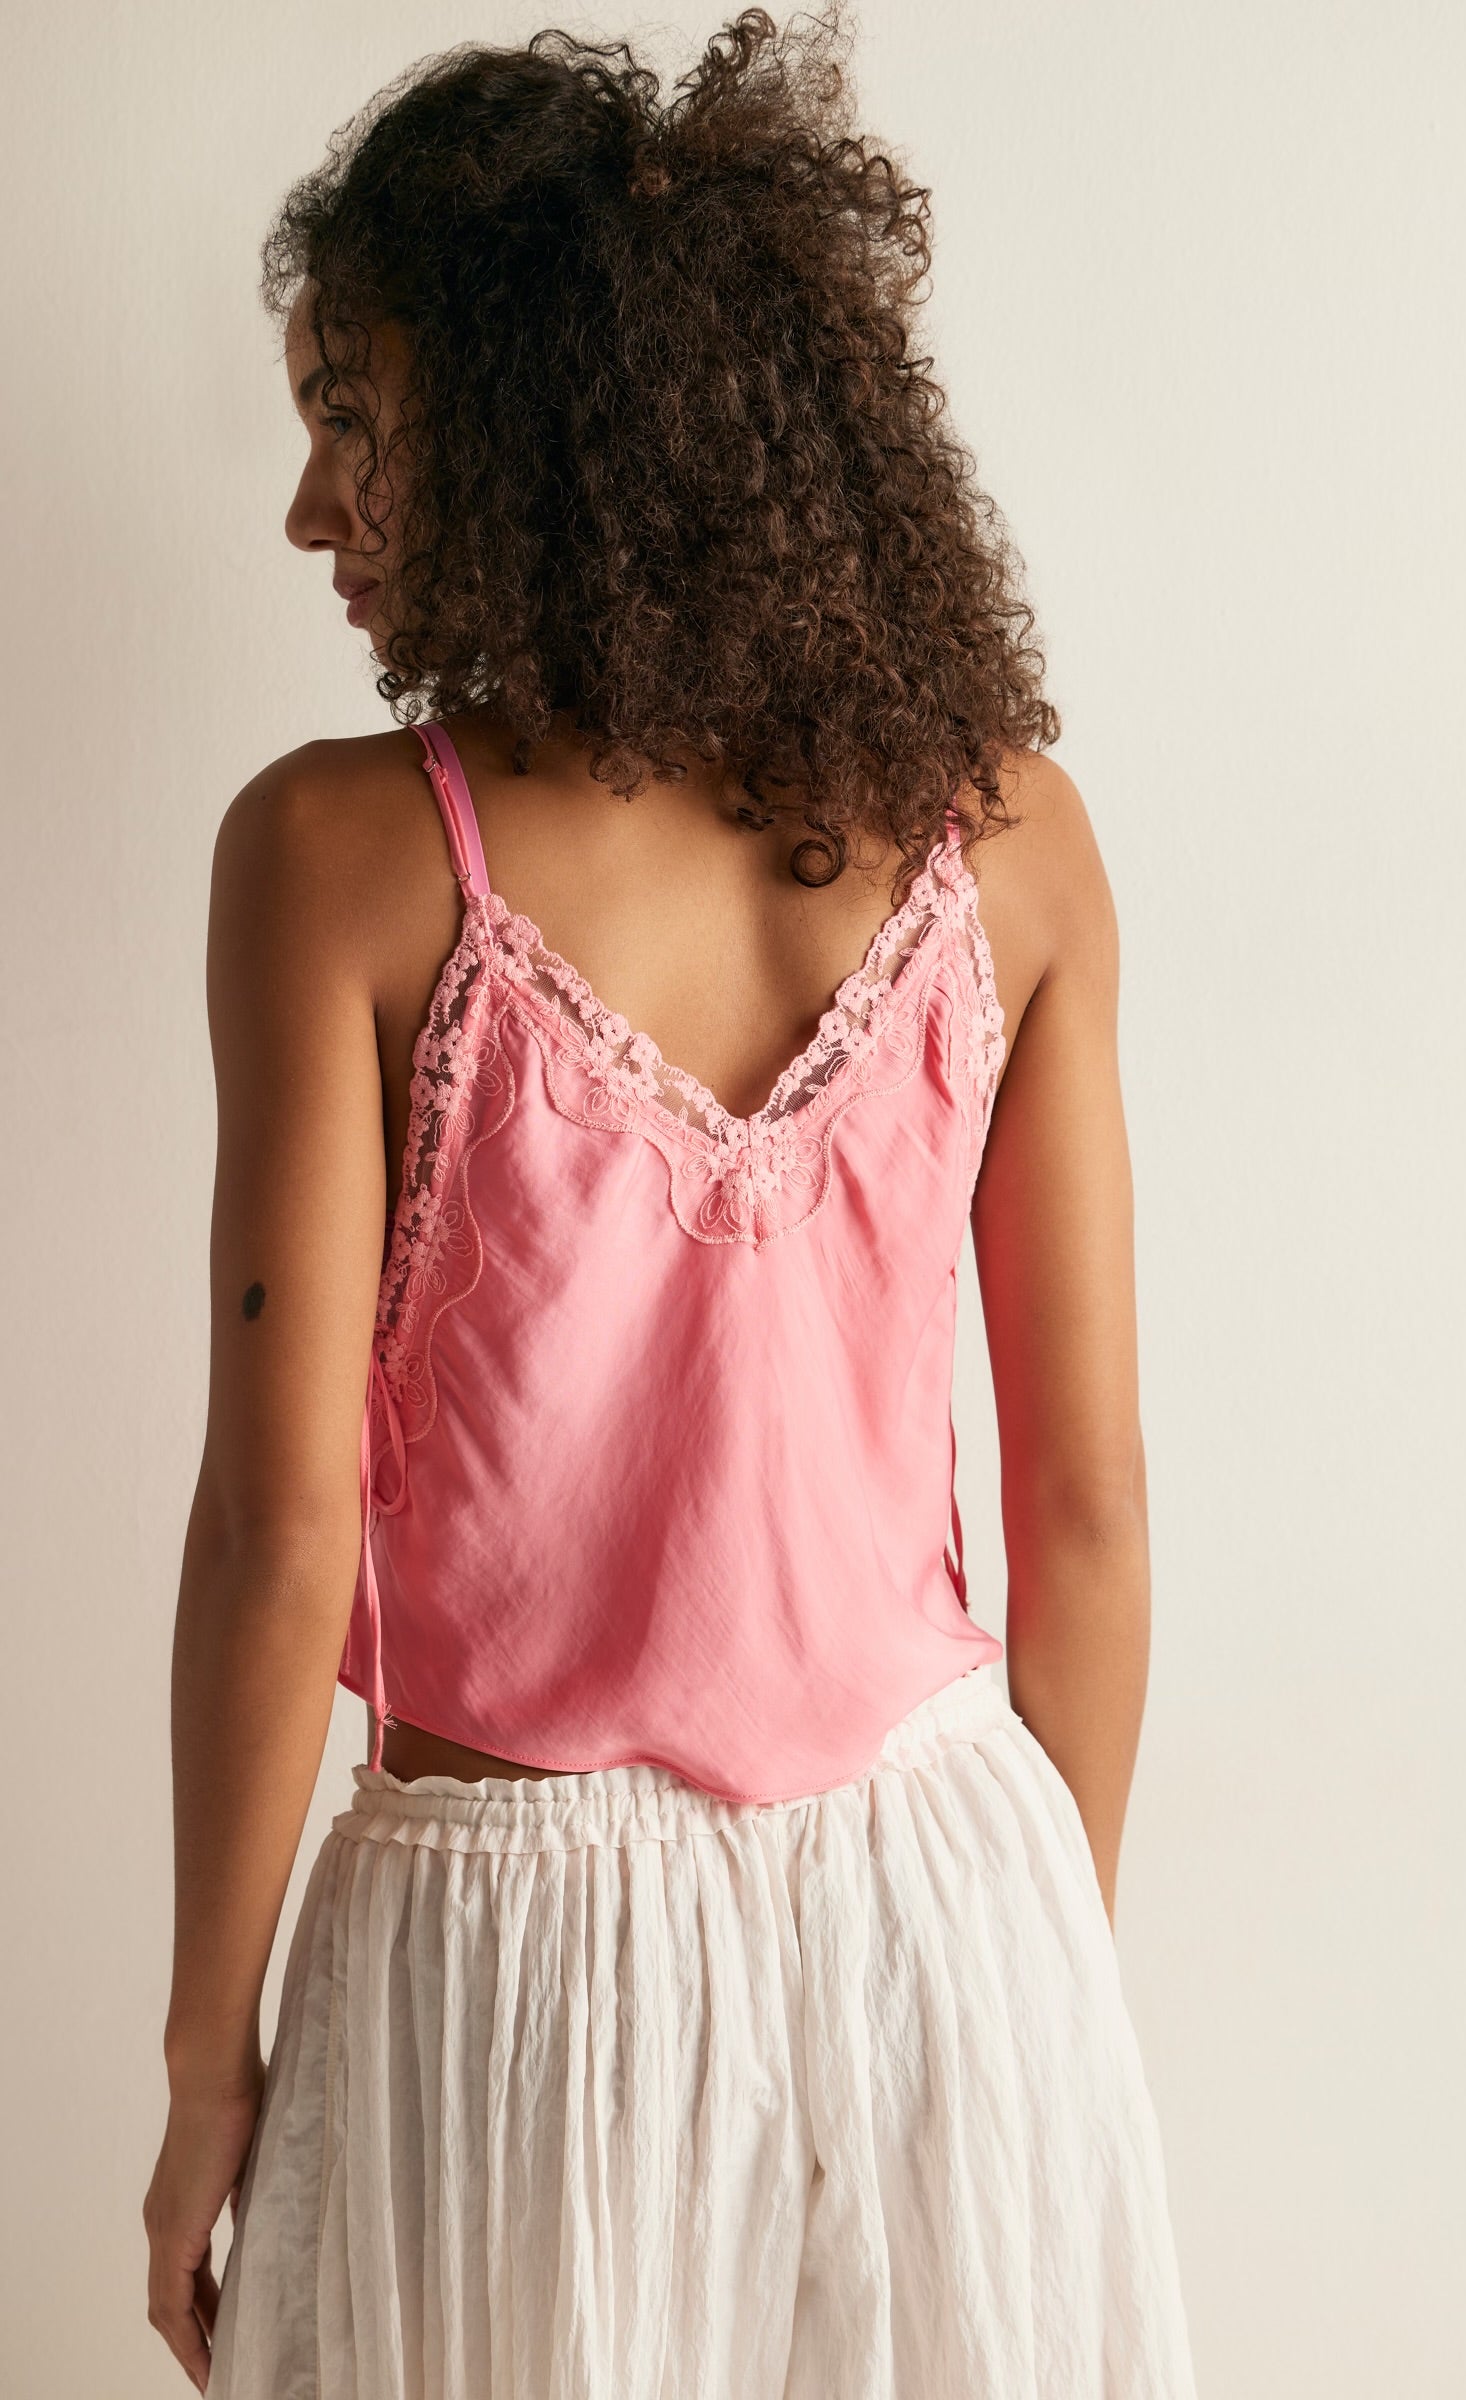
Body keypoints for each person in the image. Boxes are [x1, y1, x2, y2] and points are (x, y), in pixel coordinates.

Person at [142, 11, 1199, 2394]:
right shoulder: (1011, 836)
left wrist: (207, 2072)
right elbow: (1094, 1508)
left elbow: (276, 1530)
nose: (312, 511)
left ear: (527, 434)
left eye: (353, 417)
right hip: (946, 1906)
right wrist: (1031, 1987)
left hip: (505, 1975)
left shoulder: (334, 860)